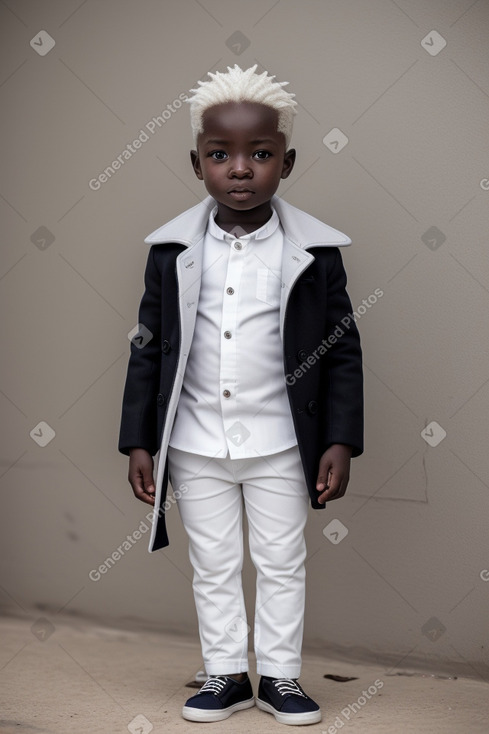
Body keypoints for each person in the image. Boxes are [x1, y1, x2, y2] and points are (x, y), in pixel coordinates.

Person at [118, 64, 363, 726]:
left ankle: (280, 677)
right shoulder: (170, 251)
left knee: (282, 561)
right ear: (195, 162)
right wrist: (139, 440)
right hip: (195, 440)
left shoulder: (315, 253)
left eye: (259, 155)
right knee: (214, 562)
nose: (239, 169)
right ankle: (225, 673)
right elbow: (147, 346)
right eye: (219, 155)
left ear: (286, 160)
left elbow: (341, 350)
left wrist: (339, 440)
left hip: (283, 442)